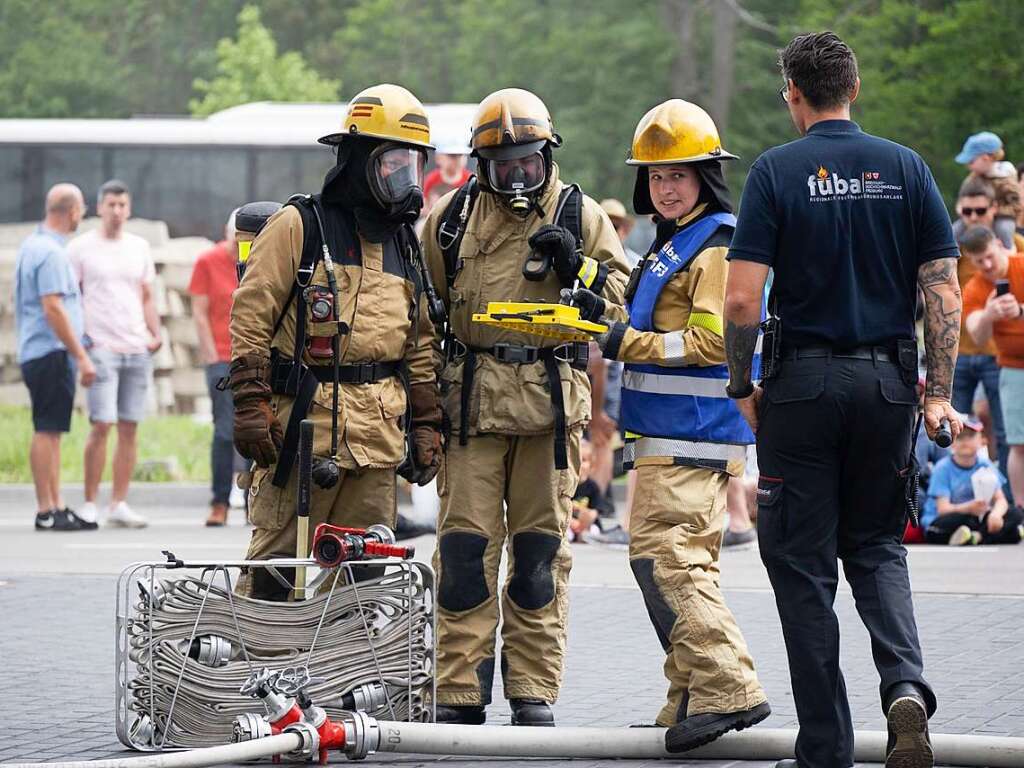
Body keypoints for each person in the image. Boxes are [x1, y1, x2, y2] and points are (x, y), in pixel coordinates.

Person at [723, 31, 962, 768]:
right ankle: (906, 690)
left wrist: (741, 384)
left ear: (793, 93)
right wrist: (938, 397)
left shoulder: (775, 172)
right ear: (853, 87)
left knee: (801, 565)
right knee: (879, 545)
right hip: (889, 384)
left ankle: (825, 744)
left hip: (802, 388)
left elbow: (738, 302)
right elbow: (943, 291)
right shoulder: (907, 168)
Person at [420, 88, 629, 726]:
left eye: (528, 161)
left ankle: (532, 691)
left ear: (547, 156)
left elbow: (622, 304)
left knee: (538, 557)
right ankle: (460, 692)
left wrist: (581, 272)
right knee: (463, 555)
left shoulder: (581, 214)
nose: (517, 175)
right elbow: (422, 316)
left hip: (548, 409)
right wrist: (421, 411)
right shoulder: (450, 219)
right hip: (472, 410)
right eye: (504, 163)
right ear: (483, 164)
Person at [570, 98, 770, 751]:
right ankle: (687, 698)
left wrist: (629, 344)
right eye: (657, 177)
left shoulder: (715, 243)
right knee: (673, 564)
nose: (667, 186)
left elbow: (711, 343)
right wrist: (582, 270)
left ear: (705, 176)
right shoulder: (674, 242)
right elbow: (640, 301)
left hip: (693, 433)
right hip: (670, 437)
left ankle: (728, 686)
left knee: (669, 561)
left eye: (680, 175)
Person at [228, 84, 442, 600]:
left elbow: (418, 343)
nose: (405, 180)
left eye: (412, 165)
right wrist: (251, 404)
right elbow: (250, 315)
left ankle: (341, 680)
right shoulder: (299, 225)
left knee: (363, 580)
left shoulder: (402, 244)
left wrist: (428, 422)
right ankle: (258, 671)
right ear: (359, 160)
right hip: (301, 435)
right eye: (394, 162)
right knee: (277, 573)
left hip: (377, 445)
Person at [69, 180, 162, 529]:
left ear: (129, 208)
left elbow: (146, 295)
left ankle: (119, 503)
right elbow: (71, 297)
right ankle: (90, 502)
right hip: (101, 347)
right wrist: (82, 343)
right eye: (111, 205)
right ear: (99, 208)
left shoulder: (138, 247)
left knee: (129, 427)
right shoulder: (80, 248)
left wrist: (155, 334)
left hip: (137, 347)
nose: (117, 211)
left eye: (123, 205)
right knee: (101, 424)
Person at [15, 183, 97, 531]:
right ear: (73, 211)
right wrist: (81, 355)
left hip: (39, 350)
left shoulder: (33, 245)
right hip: (51, 352)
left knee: (52, 429)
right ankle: (47, 509)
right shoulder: (51, 253)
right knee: (47, 430)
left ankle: (55, 504)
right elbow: (53, 307)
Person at [951, 178, 1011, 492]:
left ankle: (1008, 498)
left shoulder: (1009, 244)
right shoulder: (954, 243)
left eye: (981, 210)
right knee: (956, 425)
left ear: (993, 209)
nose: (974, 216)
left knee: (1004, 428)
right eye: (968, 211)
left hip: (997, 351)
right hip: (961, 347)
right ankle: (954, 491)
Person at [962, 225, 1024, 508]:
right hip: (1012, 367)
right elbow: (977, 334)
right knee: (1017, 442)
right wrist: (989, 314)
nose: (987, 265)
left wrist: (1020, 311)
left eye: (990, 256)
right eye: (979, 261)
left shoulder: (1021, 265)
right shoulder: (975, 288)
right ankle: (1020, 508)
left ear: (1000, 244)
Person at [189, 210, 242, 526]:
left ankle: (253, 502)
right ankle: (219, 501)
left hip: (252, 357)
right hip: (221, 357)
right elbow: (199, 311)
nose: (239, 245)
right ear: (226, 233)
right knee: (224, 430)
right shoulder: (207, 261)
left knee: (256, 428)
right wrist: (211, 354)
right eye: (234, 238)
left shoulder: (256, 261)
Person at [922, 414, 1021, 545]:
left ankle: (976, 536)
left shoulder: (985, 465)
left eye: (971, 436)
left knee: (1015, 513)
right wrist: (969, 508)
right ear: (951, 442)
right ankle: (993, 535)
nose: (965, 441)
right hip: (948, 517)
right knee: (940, 529)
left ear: (982, 440)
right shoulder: (943, 468)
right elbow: (943, 509)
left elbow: (1000, 500)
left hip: (977, 517)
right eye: (960, 437)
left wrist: (996, 514)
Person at [954, 131, 1019, 249]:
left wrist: (992, 211)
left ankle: (1009, 255)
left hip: (1002, 216)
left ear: (985, 158)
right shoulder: (972, 178)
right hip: (974, 214)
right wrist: (962, 209)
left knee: (1003, 229)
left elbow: (1016, 205)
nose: (968, 166)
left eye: (971, 161)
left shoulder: (1005, 179)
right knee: (954, 231)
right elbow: (962, 198)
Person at [422, 144, 472, 213]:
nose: (457, 160)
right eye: (452, 156)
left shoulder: (469, 179)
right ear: (438, 158)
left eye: (460, 155)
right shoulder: (432, 179)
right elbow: (424, 204)